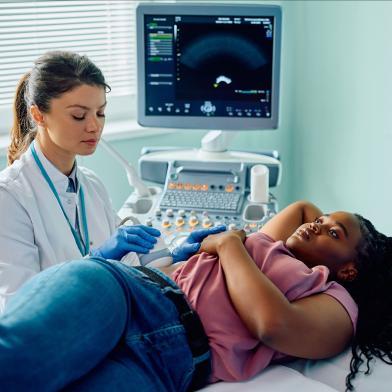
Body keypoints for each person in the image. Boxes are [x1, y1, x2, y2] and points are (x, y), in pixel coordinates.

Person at [0, 200, 391, 391]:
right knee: (17, 362)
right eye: (321, 222)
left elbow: (272, 324)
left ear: (351, 270)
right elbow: (303, 206)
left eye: (332, 233)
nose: (315, 226)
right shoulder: (276, 245)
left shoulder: (337, 302)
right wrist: (327, 229)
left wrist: (227, 245)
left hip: (167, 364)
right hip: (132, 293)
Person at [0, 50, 220, 313]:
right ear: (38, 115)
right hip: (61, 340)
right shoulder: (10, 197)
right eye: (79, 116)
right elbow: (18, 307)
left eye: (101, 113)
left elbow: (129, 267)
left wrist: (176, 253)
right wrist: (99, 260)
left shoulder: (91, 185)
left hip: (109, 319)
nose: (94, 126)